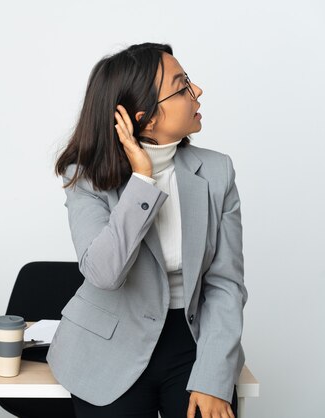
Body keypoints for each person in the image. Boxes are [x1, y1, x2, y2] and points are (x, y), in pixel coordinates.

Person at [47, 42, 247, 418]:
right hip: (106, 347)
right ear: (147, 119)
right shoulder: (85, 176)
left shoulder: (217, 172)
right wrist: (142, 179)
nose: (197, 91)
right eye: (183, 85)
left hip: (192, 340)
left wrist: (213, 376)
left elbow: (226, 284)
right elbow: (104, 273)